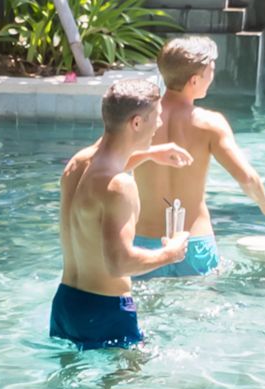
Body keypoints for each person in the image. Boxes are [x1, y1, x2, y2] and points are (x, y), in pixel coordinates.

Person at [53, 78, 195, 350]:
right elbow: (120, 262)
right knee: (129, 377)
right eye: (156, 116)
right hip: (106, 310)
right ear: (136, 123)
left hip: (66, 305)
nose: (160, 124)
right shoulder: (121, 186)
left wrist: (150, 153)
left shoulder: (77, 164)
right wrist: (171, 253)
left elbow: (104, 162)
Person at [131, 36, 265, 280]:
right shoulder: (209, 123)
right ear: (194, 80)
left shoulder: (138, 120)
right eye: (211, 71)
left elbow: (107, 161)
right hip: (195, 242)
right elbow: (247, 178)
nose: (213, 77)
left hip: (145, 243)